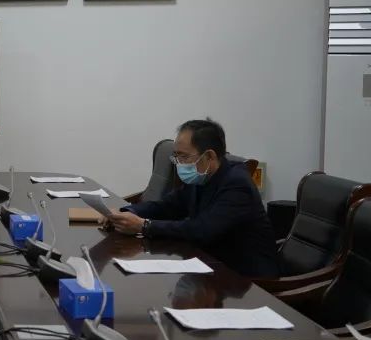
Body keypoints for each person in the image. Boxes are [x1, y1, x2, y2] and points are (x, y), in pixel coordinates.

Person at [106, 118, 278, 278]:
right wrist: (124, 212)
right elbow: (167, 207)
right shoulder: (201, 176)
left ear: (209, 156)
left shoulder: (237, 184)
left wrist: (144, 226)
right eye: (176, 156)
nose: (179, 163)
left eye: (184, 156)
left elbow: (202, 230)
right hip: (209, 264)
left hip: (246, 279)